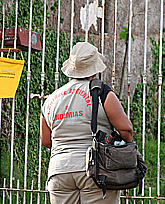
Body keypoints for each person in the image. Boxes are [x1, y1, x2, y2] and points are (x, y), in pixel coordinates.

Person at [40, 42, 133, 204]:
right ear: (95, 68)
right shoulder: (102, 92)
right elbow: (126, 129)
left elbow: (46, 141)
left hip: (59, 171)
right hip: (95, 169)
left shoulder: (52, 98)